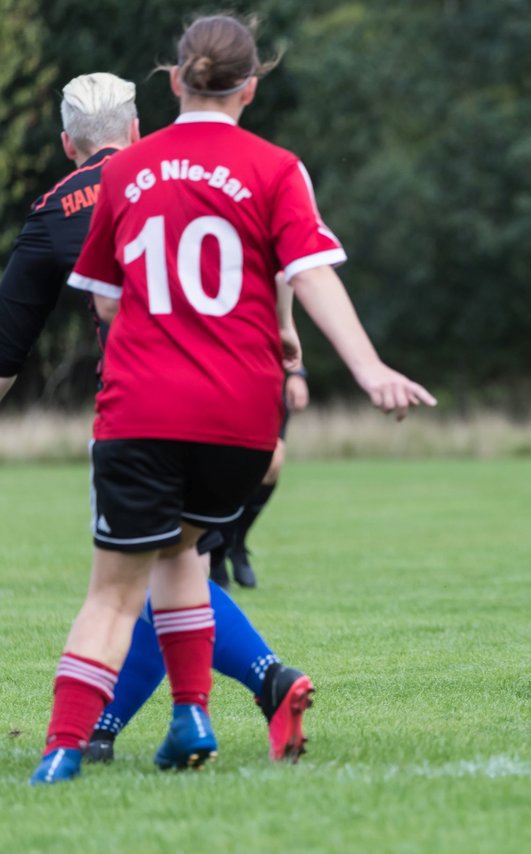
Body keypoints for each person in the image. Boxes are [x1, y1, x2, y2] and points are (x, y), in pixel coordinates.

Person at [31, 14, 434, 785]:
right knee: (184, 551)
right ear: (252, 86)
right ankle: (189, 719)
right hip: (238, 421)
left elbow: (108, 305)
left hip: (143, 408)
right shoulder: (278, 167)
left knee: (113, 594)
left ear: (175, 80)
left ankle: (60, 751)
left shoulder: (122, 172)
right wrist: (370, 366)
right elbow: (311, 274)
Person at [2, 72, 316, 771]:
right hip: (242, 403)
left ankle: (94, 734)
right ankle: (166, 717)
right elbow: (281, 261)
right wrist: (290, 360)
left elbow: (6, 350)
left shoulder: (58, 209)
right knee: (175, 565)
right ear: (138, 127)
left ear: (64, 142)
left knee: (126, 582)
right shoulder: (194, 169)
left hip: (140, 408)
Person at [208, 274, 310, 590]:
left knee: (272, 461)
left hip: (261, 368)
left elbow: (282, 293)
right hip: (214, 368)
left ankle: (235, 542)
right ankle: (216, 549)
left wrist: (296, 372)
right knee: (219, 466)